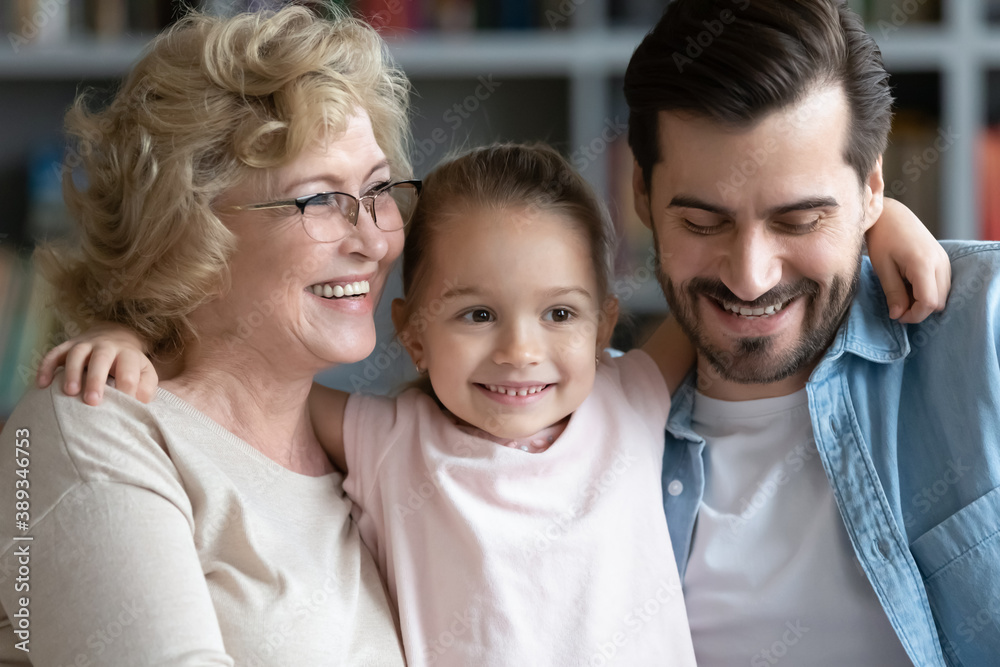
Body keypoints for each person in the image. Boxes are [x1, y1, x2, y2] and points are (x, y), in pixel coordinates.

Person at [36, 139, 949, 666]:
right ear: (413, 331)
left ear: (603, 326)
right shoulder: (388, 436)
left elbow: (743, 296)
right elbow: (237, 377)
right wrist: (137, 344)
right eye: (476, 313)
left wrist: (876, 219)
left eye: (558, 313)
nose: (521, 351)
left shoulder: (627, 398)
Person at [0, 7, 411, 664]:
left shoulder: (377, 445)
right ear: (189, 231)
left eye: (379, 189)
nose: (371, 238)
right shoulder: (89, 426)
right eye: (319, 199)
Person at [623, 0, 1000, 665]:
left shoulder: (986, 330)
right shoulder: (577, 430)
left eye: (799, 220)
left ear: (874, 185)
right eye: (703, 224)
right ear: (642, 196)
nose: (748, 276)